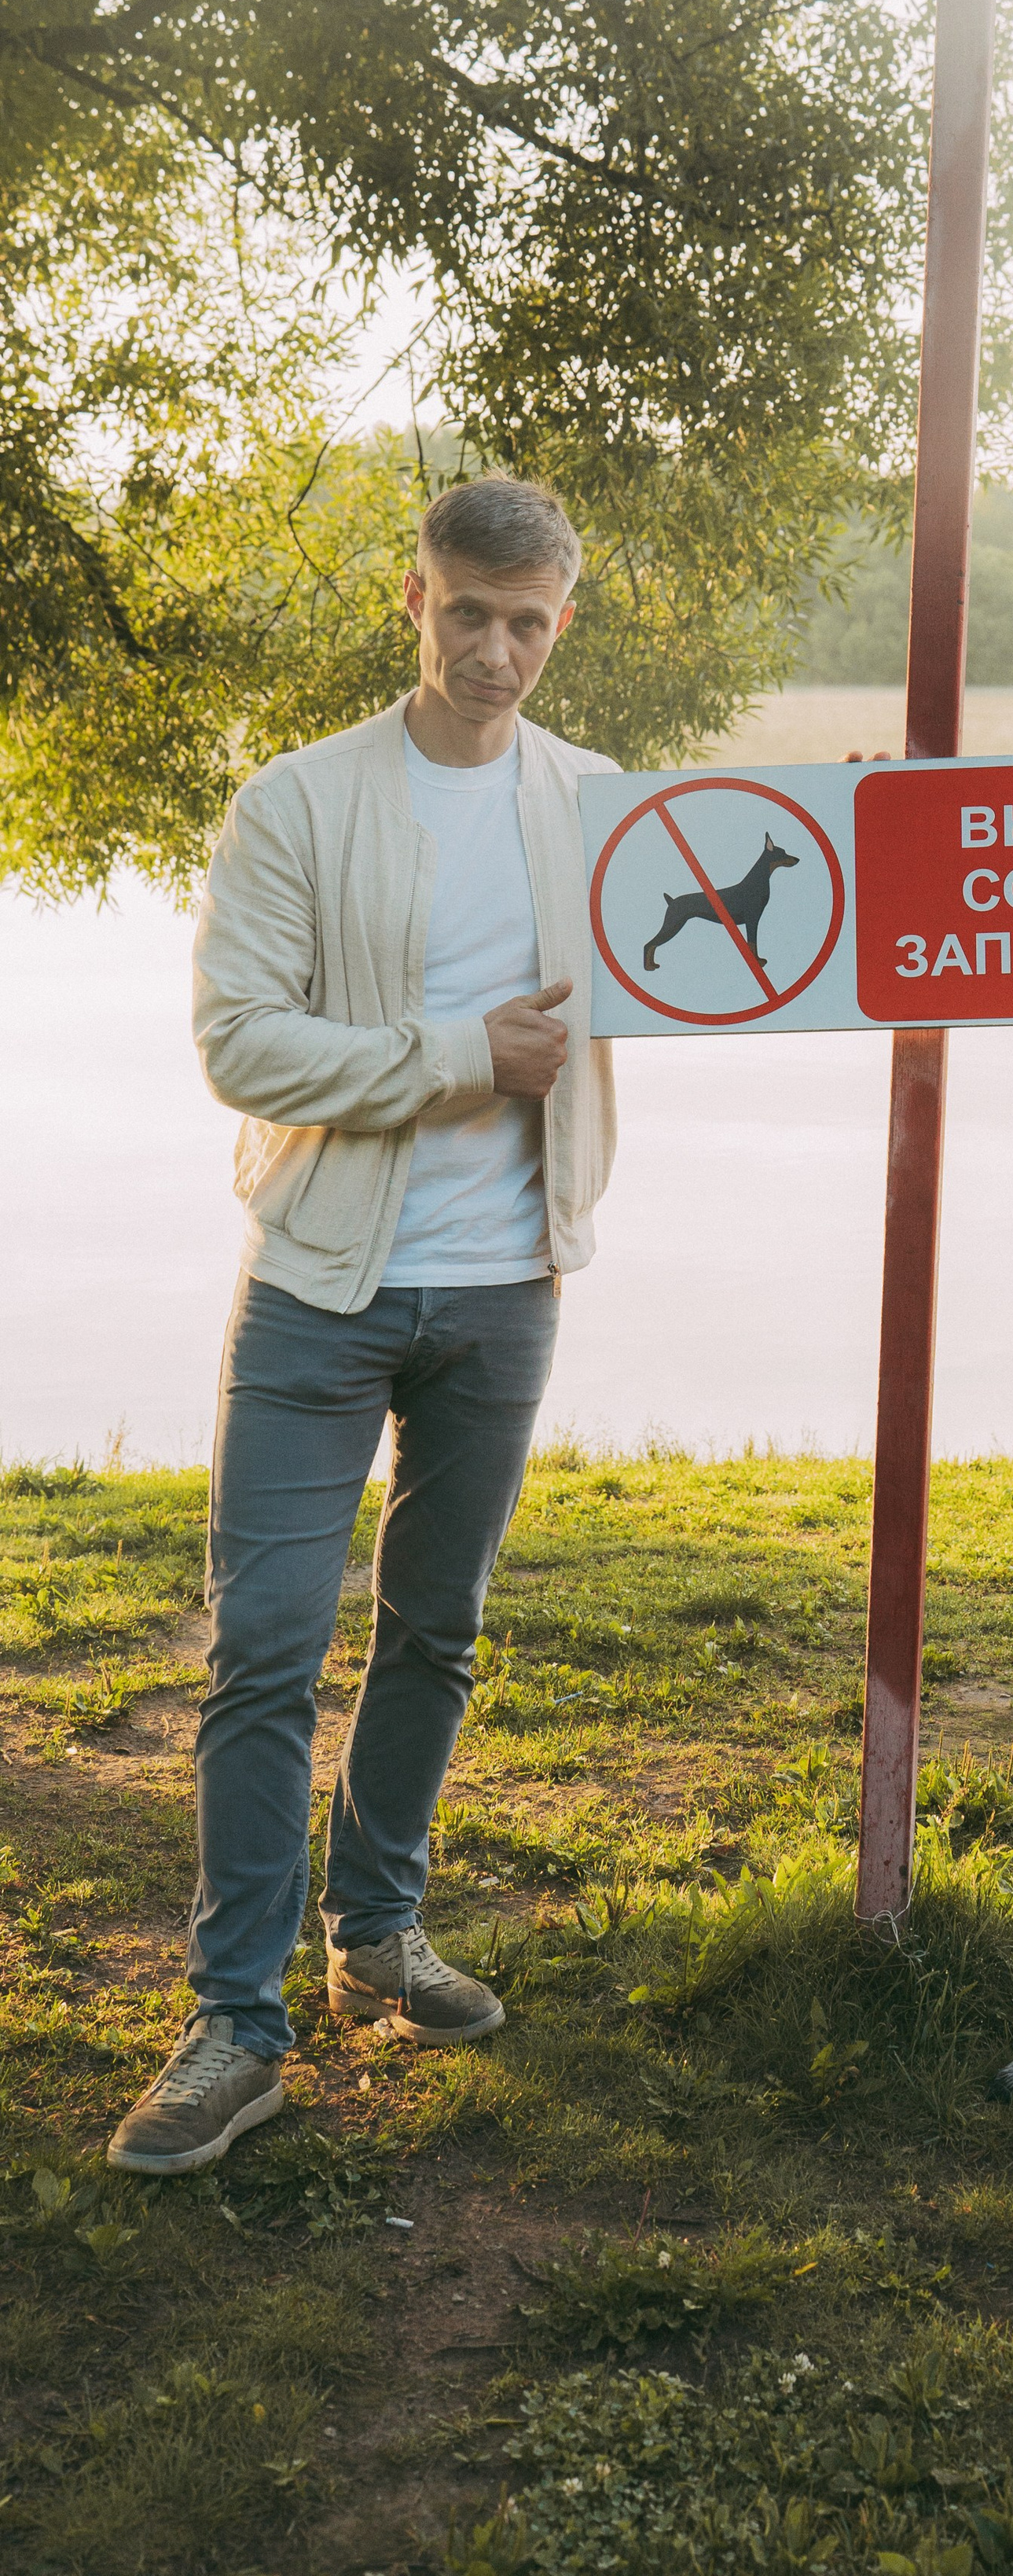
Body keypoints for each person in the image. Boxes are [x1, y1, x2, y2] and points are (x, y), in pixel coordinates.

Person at [109, 476, 618, 2176]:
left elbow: (832, 880)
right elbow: (243, 1048)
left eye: (527, 620)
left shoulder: (601, 812)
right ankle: (233, 2024)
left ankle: (374, 1938)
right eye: (465, 612)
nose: (494, 650)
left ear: (563, 618)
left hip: (505, 1287)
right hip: (319, 1286)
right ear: (414, 599)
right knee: (264, 1649)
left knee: (438, 1630)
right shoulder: (297, 802)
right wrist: (463, 1053)